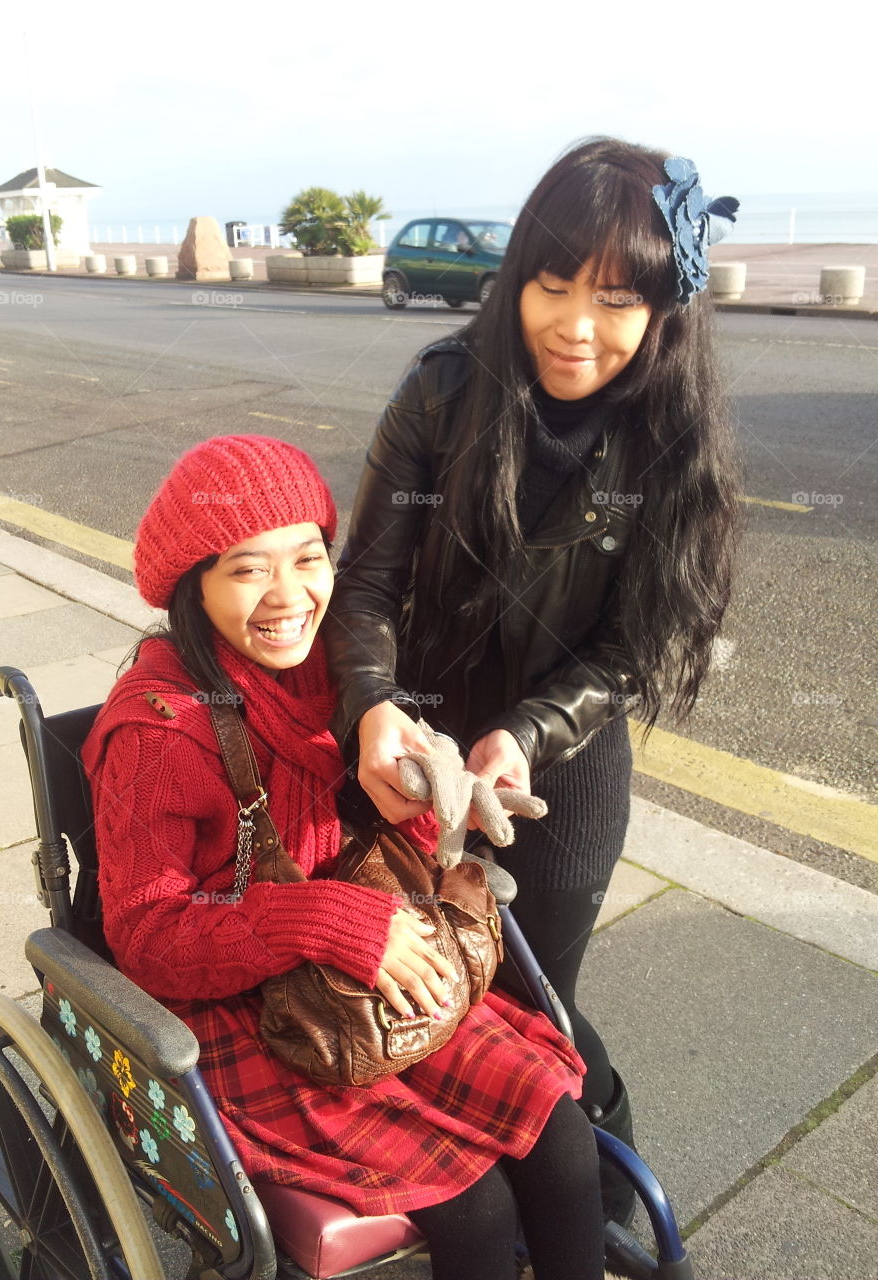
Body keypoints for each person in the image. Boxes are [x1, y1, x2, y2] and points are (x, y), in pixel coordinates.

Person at [323, 137, 742, 1223]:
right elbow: (363, 583)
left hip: (556, 771)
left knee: (536, 1003)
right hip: (412, 757)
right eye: (552, 285)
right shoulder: (443, 390)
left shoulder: (670, 434)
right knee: (428, 987)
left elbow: (644, 641)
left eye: (613, 297)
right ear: (518, 278)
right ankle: (497, 1201)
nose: (576, 324)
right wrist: (372, 708)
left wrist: (525, 731)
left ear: (664, 303)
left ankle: (609, 1209)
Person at [81, 434, 612, 1280]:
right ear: (195, 584)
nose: (290, 596)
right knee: (475, 1214)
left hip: (374, 959)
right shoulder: (158, 730)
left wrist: (436, 793)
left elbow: (370, 833)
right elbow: (146, 935)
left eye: (308, 558)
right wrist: (328, 922)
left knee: (566, 1140)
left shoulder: (341, 680)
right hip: (247, 1001)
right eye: (248, 569)